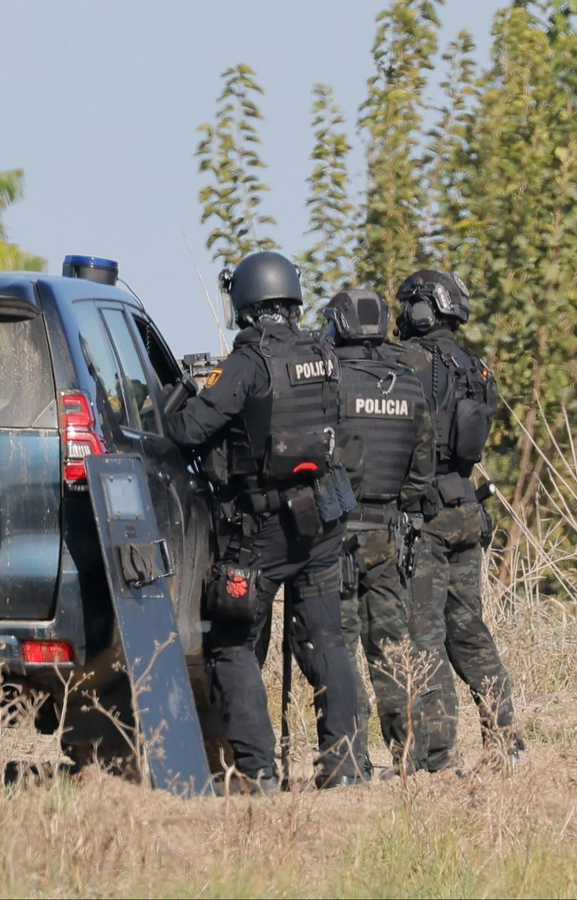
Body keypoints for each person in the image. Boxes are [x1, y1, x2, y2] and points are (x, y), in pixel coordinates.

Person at [168, 250, 363, 792]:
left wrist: (187, 391)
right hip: (321, 521)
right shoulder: (324, 353)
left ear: (247, 302)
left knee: (232, 644)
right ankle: (344, 765)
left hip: (260, 530)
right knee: (325, 640)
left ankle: (258, 775)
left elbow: (187, 432)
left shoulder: (248, 363)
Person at [393, 269, 522, 769]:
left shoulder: (406, 362)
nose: (401, 316)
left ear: (425, 309)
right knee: (469, 628)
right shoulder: (477, 369)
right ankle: (505, 737)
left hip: (424, 514)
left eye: (406, 306)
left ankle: (437, 755)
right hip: (466, 507)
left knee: (424, 635)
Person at [323, 290, 434, 776]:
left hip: (335, 536)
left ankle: (350, 759)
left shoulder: (328, 383)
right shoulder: (409, 386)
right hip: (388, 536)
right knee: (391, 650)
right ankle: (412, 757)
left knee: (340, 650)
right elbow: (422, 475)